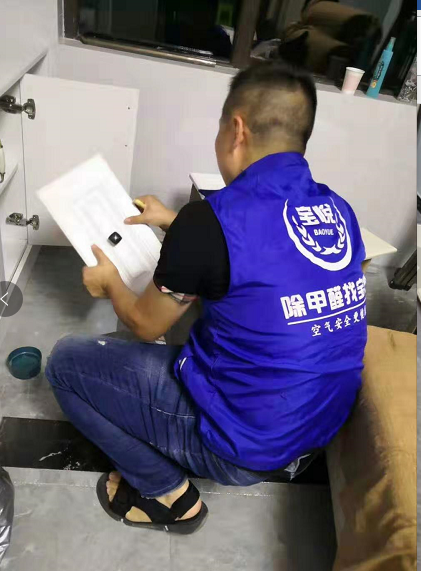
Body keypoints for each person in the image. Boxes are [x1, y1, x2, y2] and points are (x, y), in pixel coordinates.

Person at [46, 61, 367, 534]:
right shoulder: (338, 210)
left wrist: (109, 282)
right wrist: (173, 221)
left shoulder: (211, 221)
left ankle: (167, 495)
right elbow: (268, 256)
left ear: (236, 130)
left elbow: (144, 325)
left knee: (65, 364)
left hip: (246, 448)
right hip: (316, 432)